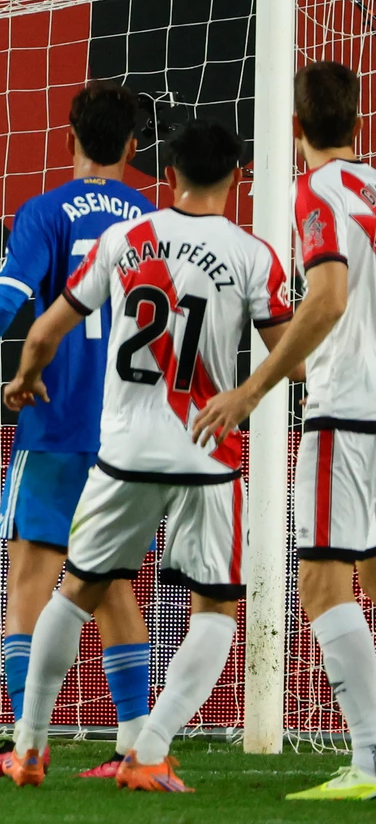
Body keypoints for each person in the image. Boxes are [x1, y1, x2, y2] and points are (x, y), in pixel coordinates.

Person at [3, 119, 290, 792]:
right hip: (206, 454)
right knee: (217, 606)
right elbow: (290, 357)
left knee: (72, 594)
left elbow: (48, 327)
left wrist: (25, 375)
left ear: (167, 174)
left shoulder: (123, 239)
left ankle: (29, 746)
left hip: (123, 452)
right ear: (239, 178)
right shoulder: (253, 255)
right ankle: (150, 749)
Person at [0, 81, 156, 777]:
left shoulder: (46, 211)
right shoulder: (151, 218)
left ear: (69, 138)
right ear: (133, 147)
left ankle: (29, 738)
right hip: (130, 432)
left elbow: (3, 302)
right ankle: (135, 742)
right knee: (112, 582)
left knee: (30, 577)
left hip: (55, 420)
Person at [193, 61, 376, 801]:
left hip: (348, 411)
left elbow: (327, 297)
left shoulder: (317, 192)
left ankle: (368, 760)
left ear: (294, 129)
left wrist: (253, 386)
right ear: (358, 123)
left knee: (323, 583)